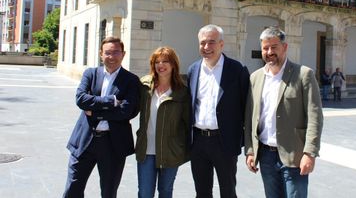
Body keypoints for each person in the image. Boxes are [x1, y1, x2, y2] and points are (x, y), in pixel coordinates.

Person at [245, 27, 323, 198]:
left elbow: (315, 117)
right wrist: (250, 151)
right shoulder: (255, 78)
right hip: (265, 155)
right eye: (265, 48)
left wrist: (309, 153)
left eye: (274, 47)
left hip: (294, 155)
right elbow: (250, 118)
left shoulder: (303, 75)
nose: (269, 52)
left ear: (285, 47)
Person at [63, 36, 140, 198]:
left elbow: (127, 111)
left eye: (116, 52)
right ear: (101, 54)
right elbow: (81, 99)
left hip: (113, 144)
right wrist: (111, 101)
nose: (111, 57)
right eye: (108, 53)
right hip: (84, 142)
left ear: (123, 54)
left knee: (109, 192)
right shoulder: (90, 74)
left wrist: (95, 111)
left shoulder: (131, 81)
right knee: (72, 190)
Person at [187, 24, 250, 198]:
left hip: (225, 142)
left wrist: (247, 143)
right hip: (198, 141)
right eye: (203, 43)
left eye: (212, 42)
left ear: (221, 44)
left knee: (228, 191)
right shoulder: (193, 70)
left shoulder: (237, 70)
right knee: (202, 192)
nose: (206, 47)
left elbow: (247, 108)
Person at [135, 47, 191, 198]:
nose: (161, 65)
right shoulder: (144, 86)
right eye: (157, 62)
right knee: (145, 193)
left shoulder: (182, 92)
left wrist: (184, 148)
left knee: (165, 192)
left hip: (171, 151)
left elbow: (187, 123)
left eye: (165, 61)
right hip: (146, 150)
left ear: (173, 64)